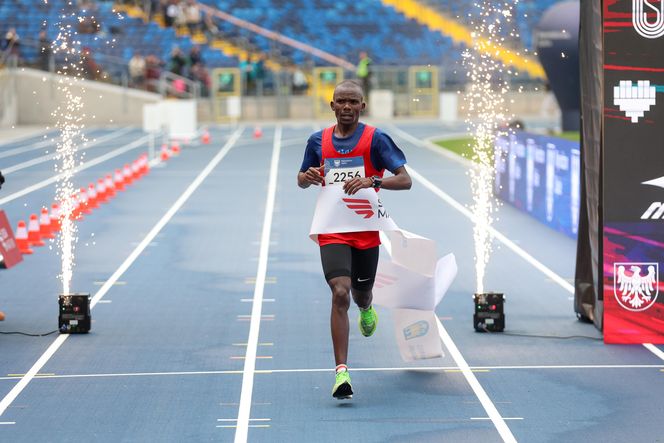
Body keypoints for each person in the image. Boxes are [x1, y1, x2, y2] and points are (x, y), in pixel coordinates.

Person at [297, 80, 411, 399]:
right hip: (332, 228)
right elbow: (302, 177)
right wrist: (306, 177)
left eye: (353, 102)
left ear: (362, 106)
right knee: (339, 292)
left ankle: (366, 307)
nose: (346, 107)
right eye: (341, 102)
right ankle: (341, 373)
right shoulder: (317, 140)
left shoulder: (376, 139)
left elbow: (405, 180)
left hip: (364, 230)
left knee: (360, 295)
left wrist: (373, 180)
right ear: (332, 106)